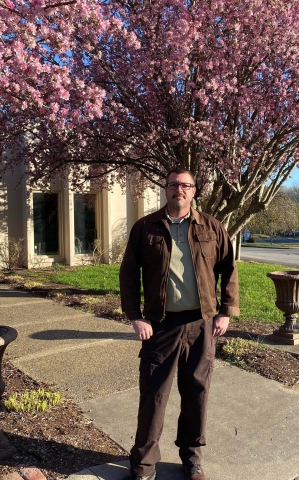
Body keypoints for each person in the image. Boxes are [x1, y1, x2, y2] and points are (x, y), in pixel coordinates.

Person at [119, 167, 239, 480]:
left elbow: (229, 268)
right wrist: (136, 316)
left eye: (185, 185)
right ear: (165, 189)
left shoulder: (211, 226)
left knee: (197, 393)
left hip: (202, 324)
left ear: (194, 191)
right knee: (154, 396)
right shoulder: (145, 227)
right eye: (173, 185)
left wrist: (225, 311)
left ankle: (192, 459)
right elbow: (129, 275)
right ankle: (144, 464)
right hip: (161, 325)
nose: (179, 190)